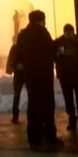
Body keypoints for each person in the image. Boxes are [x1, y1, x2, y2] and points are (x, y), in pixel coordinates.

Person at [15, 10, 60, 149]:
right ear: (40, 20)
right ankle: (49, 134)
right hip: (44, 74)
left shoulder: (23, 34)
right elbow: (51, 50)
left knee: (33, 105)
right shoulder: (42, 32)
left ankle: (34, 136)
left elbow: (19, 54)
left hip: (30, 75)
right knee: (47, 104)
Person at [54, 24, 78, 132]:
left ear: (73, 32)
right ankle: (72, 120)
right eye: (66, 32)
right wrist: (57, 54)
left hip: (77, 74)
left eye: (70, 32)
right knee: (69, 99)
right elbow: (53, 56)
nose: (68, 34)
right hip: (65, 75)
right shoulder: (58, 42)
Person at [5, 38, 24, 124]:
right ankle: (15, 115)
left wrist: (11, 68)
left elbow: (11, 59)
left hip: (19, 74)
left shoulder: (15, 47)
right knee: (18, 95)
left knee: (17, 95)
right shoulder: (18, 47)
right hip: (24, 74)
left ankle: (15, 116)